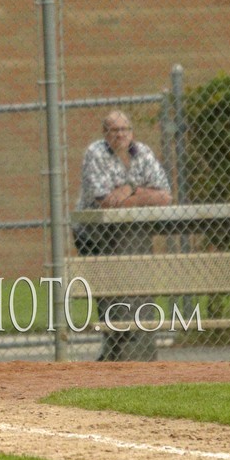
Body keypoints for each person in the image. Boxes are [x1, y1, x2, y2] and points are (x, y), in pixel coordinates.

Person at [74, 110, 172, 361]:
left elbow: (165, 197)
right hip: (94, 234)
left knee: (134, 289)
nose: (120, 135)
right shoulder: (95, 153)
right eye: (114, 130)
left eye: (124, 129)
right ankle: (115, 352)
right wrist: (144, 196)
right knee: (109, 294)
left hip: (133, 236)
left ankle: (130, 352)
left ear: (132, 132)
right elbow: (106, 202)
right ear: (105, 134)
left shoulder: (143, 152)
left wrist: (130, 189)